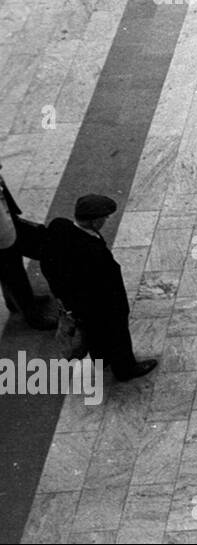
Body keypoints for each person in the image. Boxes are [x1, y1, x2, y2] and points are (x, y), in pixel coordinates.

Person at [42, 195, 157, 382]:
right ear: (94, 221)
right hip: (100, 304)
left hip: (79, 304)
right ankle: (125, 368)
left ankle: (102, 359)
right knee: (117, 332)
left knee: (95, 334)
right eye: (104, 218)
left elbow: (48, 264)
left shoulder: (59, 226)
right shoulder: (89, 251)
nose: (106, 221)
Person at [0, 162, 53, 329]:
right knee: (14, 274)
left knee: (12, 272)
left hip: (7, 223)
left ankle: (14, 301)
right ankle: (32, 316)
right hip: (2, 237)